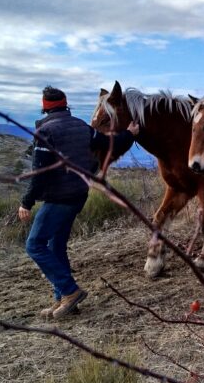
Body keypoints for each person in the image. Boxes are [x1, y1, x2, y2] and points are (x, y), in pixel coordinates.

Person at [17, 86, 138, 319]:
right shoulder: (82, 127)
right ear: (65, 105)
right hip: (78, 196)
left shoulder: (46, 132)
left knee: (34, 245)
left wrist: (26, 202)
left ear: (44, 107)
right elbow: (108, 142)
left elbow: (39, 174)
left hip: (58, 198)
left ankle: (70, 292)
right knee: (55, 245)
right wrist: (130, 134)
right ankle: (63, 299)